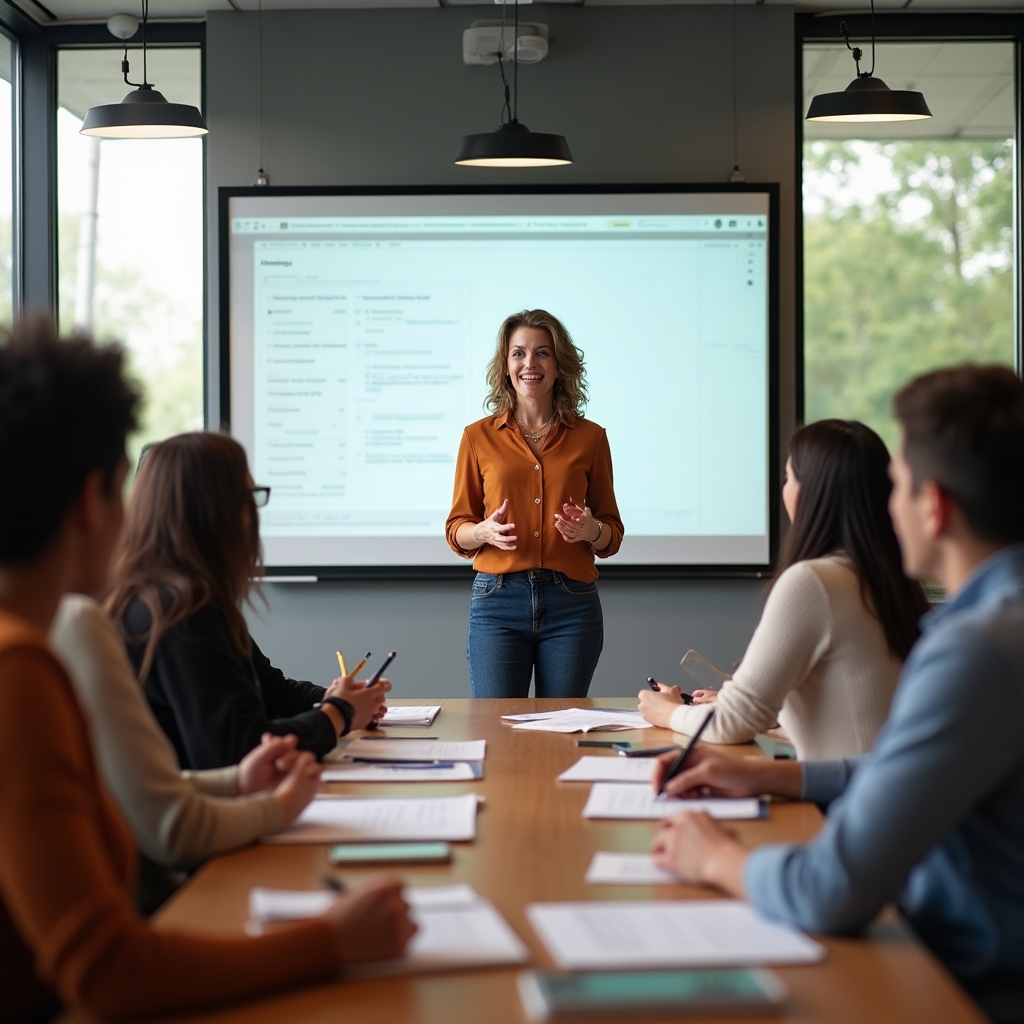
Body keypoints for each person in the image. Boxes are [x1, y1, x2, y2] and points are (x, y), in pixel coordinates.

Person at [0, 322, 415, 1023]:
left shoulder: (46, 639)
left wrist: (234, 783)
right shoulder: (20, 669)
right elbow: (107, 971)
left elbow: (128, 794)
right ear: (91, 501)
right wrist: (332, 941)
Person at [650, 365, 1024, 1024]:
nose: (888, 506)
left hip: (964, 985)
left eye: (897, 487)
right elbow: (909, 766)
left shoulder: (975, 651)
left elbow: (831, 889)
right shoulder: (995, 624)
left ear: (934, 507)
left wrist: (717, 857)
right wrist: (772, 778)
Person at [639, 420, 928, 758]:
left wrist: (668, 712)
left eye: (789, 478)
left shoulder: (813, 581)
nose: (784, 489)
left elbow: (733, 723)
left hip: (843, 790)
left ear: (813, 493)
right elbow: (845, 714)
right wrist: (747, 704)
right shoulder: (890, 579)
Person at [105, 433, 389, 770]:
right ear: (216, 512)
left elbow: (272, 691)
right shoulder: (182, 613)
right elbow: (240, 749)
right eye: (250, 497)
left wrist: (334, 699)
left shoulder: (170, 597)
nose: (254, 514)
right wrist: (339, 713)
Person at [49, 594, 321, 902]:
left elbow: (133, 789)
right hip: (140, 904)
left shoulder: (70, 619)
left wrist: (235, 782)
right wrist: (281, 807)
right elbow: (173, 827)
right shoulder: (78, 621)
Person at [446, 309, 624, 698]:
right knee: (495, 724)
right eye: (519, 353)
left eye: (543, 353)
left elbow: (612, 532)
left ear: (560, 365)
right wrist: (482, 531)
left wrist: (591, 530)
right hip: (498, 601)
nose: (530, 363)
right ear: (506, 365)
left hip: (572, 604)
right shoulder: (477, 437)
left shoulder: (591, 438)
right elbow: (457, 528)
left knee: (562, 725)